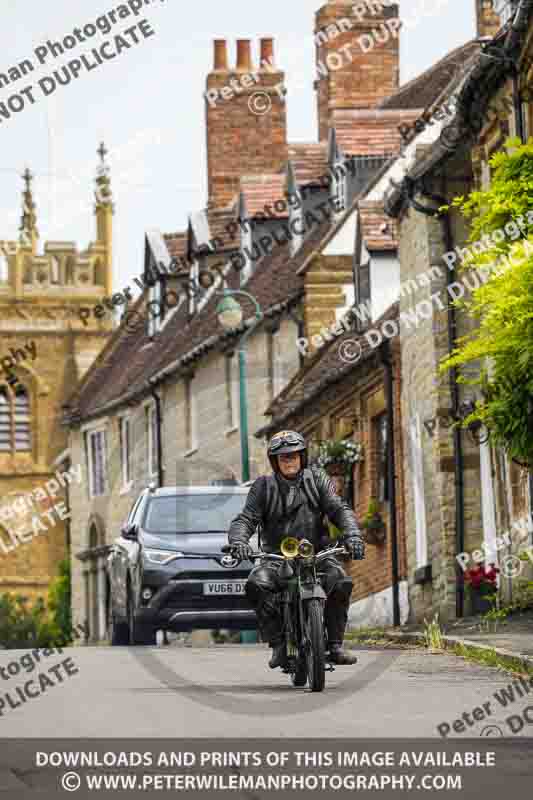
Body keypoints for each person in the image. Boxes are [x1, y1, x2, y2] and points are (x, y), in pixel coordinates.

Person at [227, 430, 365, 669]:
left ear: (302, 456)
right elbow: (246, 519)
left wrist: (352, 535)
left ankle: (334, 645)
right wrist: (239, 542)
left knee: (340, 580)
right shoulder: (263, 487)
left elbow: (338, 509)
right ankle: (279, 643)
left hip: (315, 554)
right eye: (283, 457)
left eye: (293, 455)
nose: (288, 460)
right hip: (275, 558)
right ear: (275, 462)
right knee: (256, 584)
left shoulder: (318, 479)